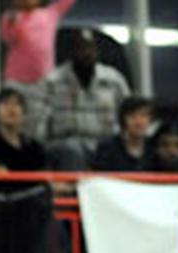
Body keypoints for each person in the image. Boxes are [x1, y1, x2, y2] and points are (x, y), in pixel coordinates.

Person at [38, 29, 131, 171]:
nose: (87, 53)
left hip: (105, 143)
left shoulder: (114, 80)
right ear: (72, 51)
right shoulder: (53, 81)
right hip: (65, 144)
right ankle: (77, 191)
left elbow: (128, 115)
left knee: (115, 152)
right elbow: (40, 123)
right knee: (73, 149)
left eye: (91, 47)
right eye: (81, 48)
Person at [1, 0, 77, 87]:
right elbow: (8, 39)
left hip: (43, 80)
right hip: (17, 79)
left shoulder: (50, 14)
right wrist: (11, 23)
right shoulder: (11, 16)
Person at [0, 88, 46, 171]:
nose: (11, 109)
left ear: (23, 112)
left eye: (16, 104)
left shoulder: (34, 149)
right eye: (5, 104)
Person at [91, 96, 153, 172]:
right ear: (123, 119)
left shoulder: (154, 147)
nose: (139, 122)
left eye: (143, 115)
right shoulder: (107, 148)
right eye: (132, 116)